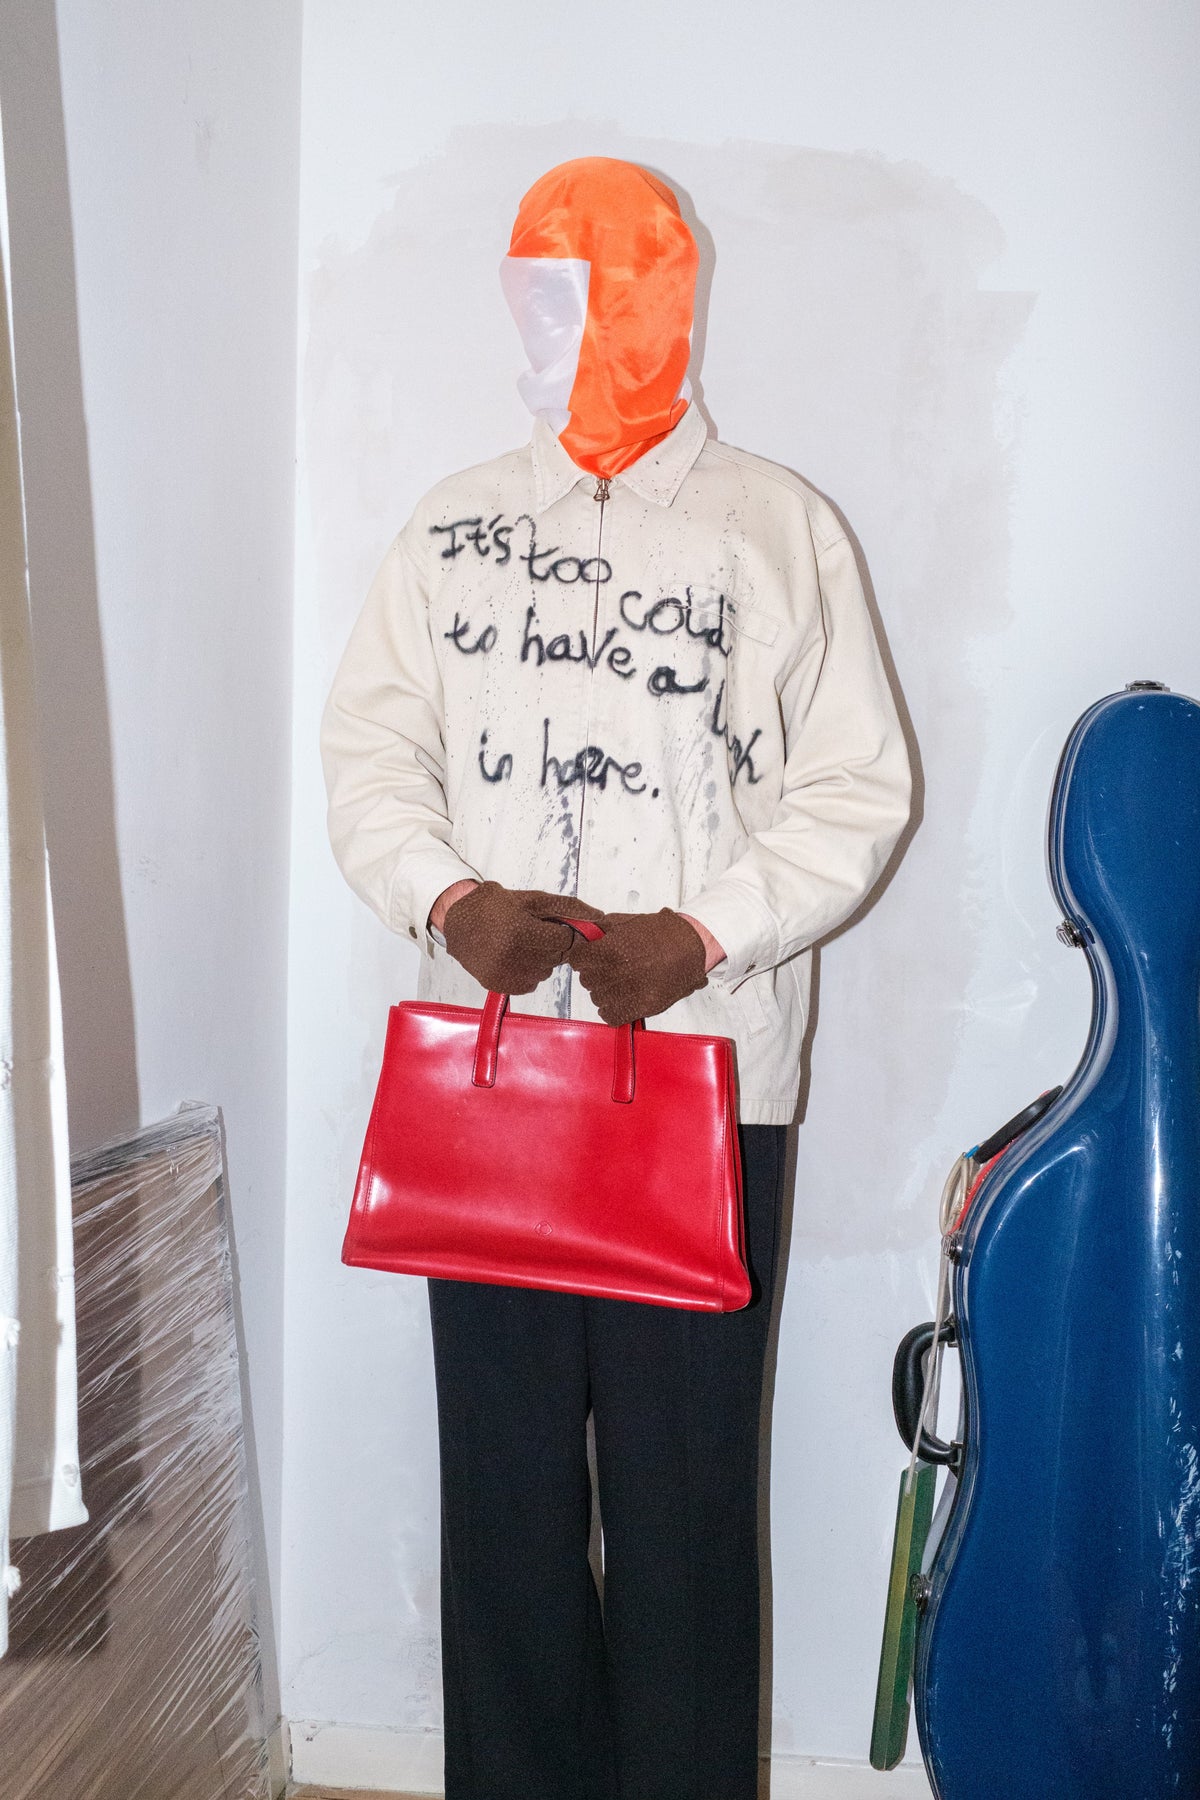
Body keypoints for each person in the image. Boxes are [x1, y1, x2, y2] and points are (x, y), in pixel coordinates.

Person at [321, 156, 911, 1800]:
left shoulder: (779, 531)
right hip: (493, 1089)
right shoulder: (448, 530)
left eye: (604, 287)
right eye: (543, 286)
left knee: (685, 1507)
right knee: (503, 1500)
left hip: (707, 1098)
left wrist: (705, 932)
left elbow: (856, 790)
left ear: (673, 297)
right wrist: (445, 896)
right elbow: (370, 757)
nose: (571, 321)